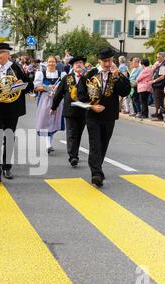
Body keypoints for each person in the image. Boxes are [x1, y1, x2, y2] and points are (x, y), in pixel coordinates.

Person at [0, 43, 34, 183]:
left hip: (12, 110)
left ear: (8, 54)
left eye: (0, 53)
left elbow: (29, 85)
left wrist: (21, 84)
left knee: (9, 138)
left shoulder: (16, 68)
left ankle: (6, 167)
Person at [82, 48, 131, 187]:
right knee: (95, 144)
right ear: (99, 61)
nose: (108, 64)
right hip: (92, 114)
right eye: (105, 61)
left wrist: (117, 78)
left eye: (110, 61)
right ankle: (96, 174)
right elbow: (80, 94)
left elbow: (126, 91)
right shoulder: (90, 74)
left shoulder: (117, 74)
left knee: (103, 144)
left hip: (109, 115)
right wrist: (91, 106)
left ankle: (98, 168)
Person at [51, 56, 90, 167]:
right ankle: (73, 156)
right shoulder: (67, 78)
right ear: (73, 66)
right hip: (70, 111)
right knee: (72, 133)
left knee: (78, 133)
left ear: (83, 66)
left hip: (83, 111)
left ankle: (75, 153)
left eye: (81, 63)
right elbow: (58, 94)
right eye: (76, 63)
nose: (78, 65)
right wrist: (54, 107)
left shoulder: (87, 79)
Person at [34, 55, 67, 153]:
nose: (51, 63)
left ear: (56, 63)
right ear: (46, 63)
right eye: (49, 61)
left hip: (57, 99)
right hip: (44, 99)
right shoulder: (41, 73)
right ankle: (48, 144)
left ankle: (49, 144)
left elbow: (65, 87)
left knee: (54, 121)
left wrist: (58, 89)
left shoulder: (62, 74)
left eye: (53, 62)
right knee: (45, 121)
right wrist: (49, 87)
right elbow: (36, 88)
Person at [151, 52, 165, 121]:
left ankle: (159, 115)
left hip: (159, 85)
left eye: (158, 57)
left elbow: (162, 77)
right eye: (157, 57)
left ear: (162, 57)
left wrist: (153, 81)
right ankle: (159, 114)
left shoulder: (163, 65)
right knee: (160, 100)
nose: (157, 59)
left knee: (158, 100)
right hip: (162, 85)